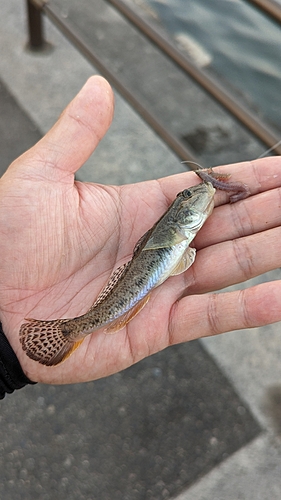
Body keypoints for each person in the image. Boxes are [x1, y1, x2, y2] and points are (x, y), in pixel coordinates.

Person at [0, 75, 280, 396]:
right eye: (185, 198)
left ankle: (76, 327)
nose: (196, 194)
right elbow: (180, 257)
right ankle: (74, 328)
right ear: (180, 217)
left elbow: (179, 257)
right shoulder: (179, 228)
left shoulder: (181, 228)